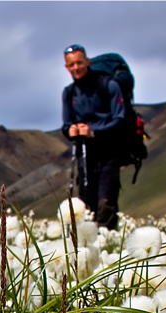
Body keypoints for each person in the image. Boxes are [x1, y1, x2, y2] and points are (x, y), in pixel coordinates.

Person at [62, 44, 125, 230]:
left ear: (87, 62)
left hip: (109, 152)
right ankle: (88, 243)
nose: (76, 68)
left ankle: (107, 241)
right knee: (85, 203)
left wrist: (94, 132)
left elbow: (120, 120)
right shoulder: (69, 92)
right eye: (71, 65)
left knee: (106, 202)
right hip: (84, 152)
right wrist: (70, 131)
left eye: (79, 63)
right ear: (67, 67)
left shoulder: (108, 85)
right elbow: (66, 124)